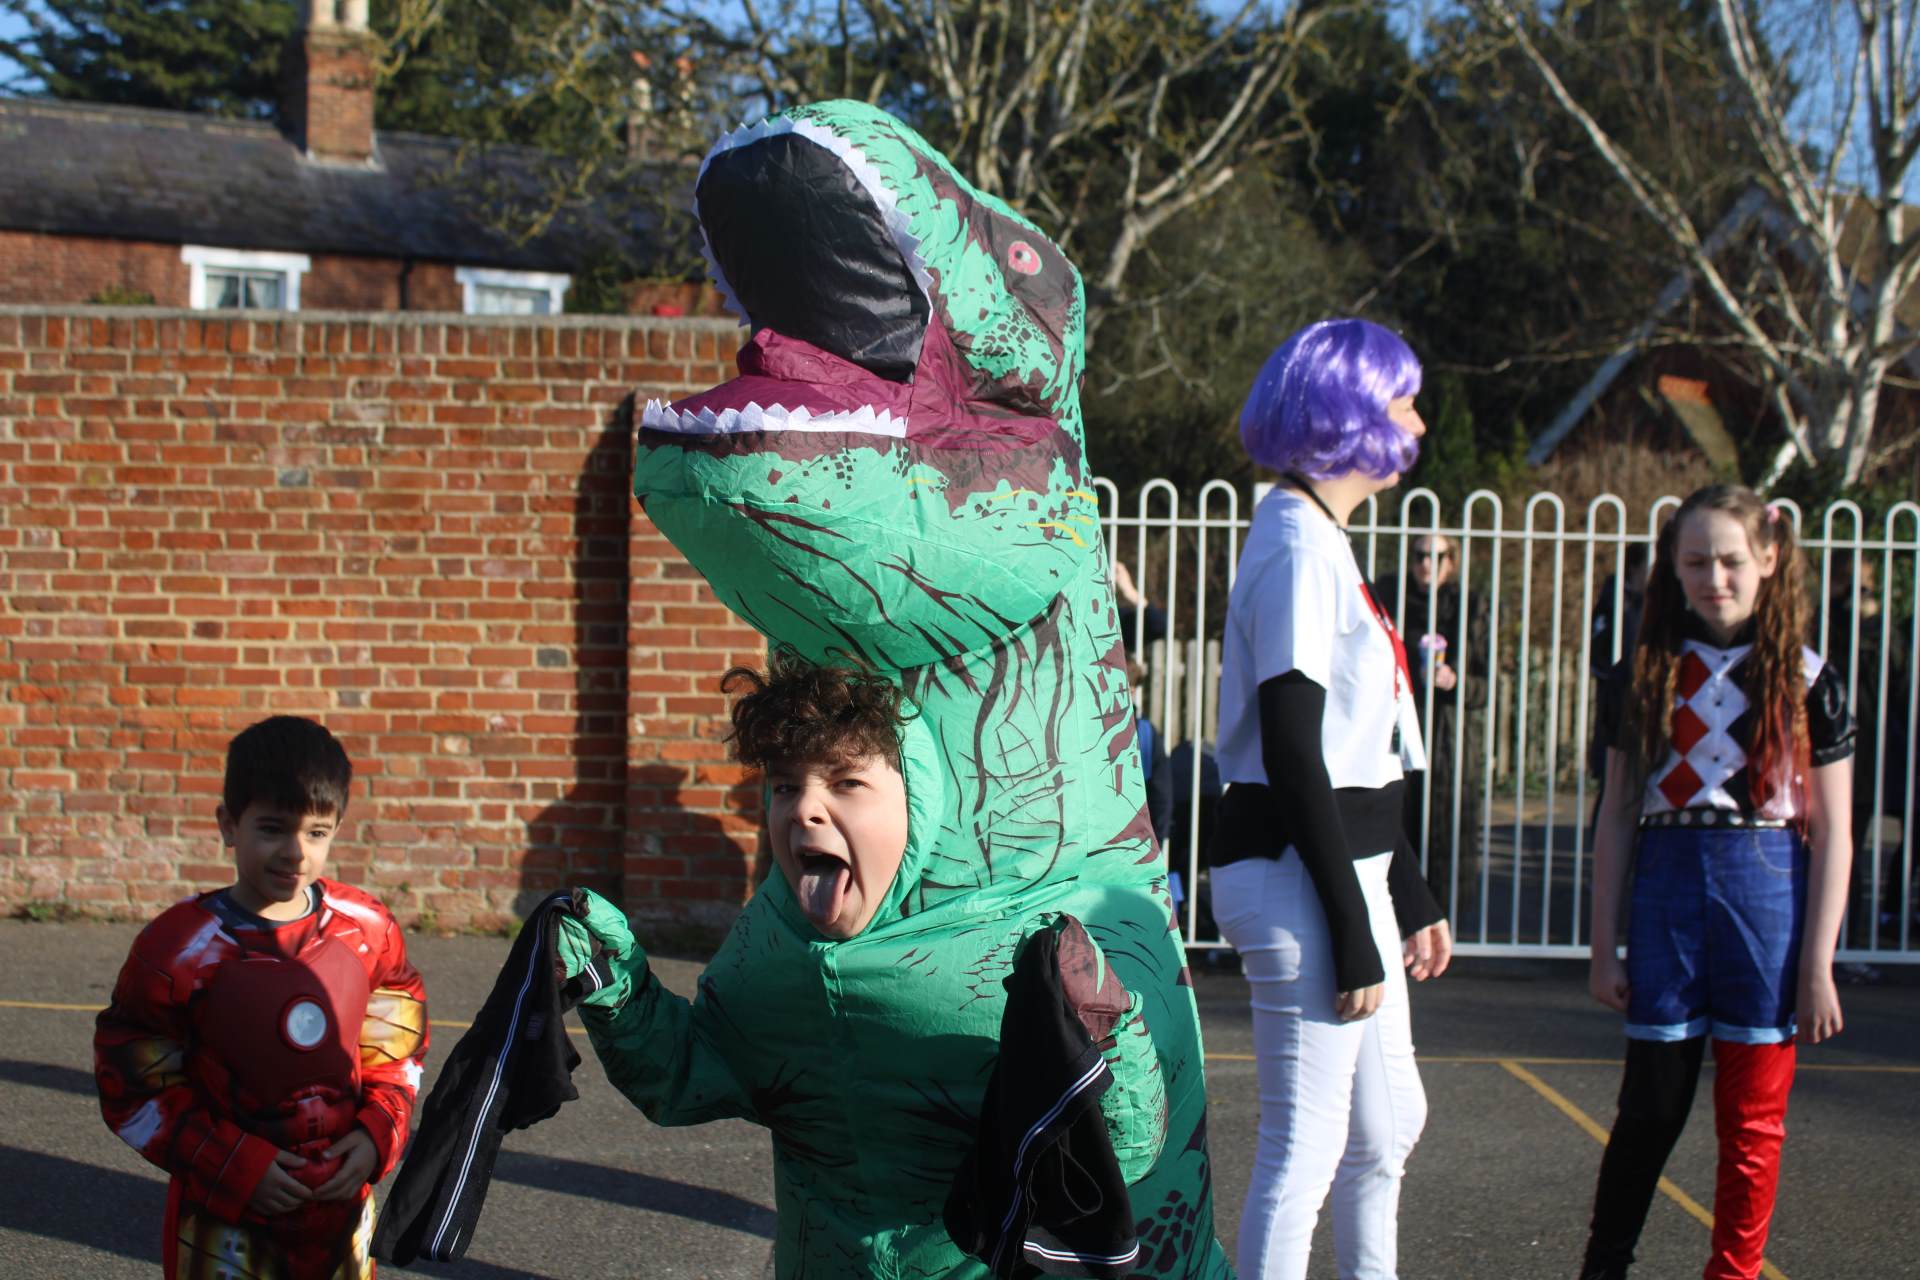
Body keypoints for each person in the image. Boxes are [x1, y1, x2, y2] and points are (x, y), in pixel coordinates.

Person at [554, 653, 1185, 1276]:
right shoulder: (768, 941)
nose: (804, 808)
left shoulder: (1007, 952)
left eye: (846, 783)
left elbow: (1117, 1160)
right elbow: (685, 1077)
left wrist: (1106, 1034)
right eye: (785, 786)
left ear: (917, 800)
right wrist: (614, 981)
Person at [1207, 317, 1453, 1280]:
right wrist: (1354, 928)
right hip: (1299, 876)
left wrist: (1406, 892)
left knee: (1389, 1126)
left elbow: (1358, 753)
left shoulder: (1319, 539)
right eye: (1403, 403)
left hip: (1340, 870)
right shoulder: (1299, 546)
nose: (1419, 424)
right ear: (1352, 415)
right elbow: (1293, 748)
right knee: (1305, 1146)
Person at [1580, 485, 1854, 1280]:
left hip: (1767, 906)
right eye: (1696, 561)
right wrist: (1602, 950)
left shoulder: (1809, 679)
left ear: (1768, 558)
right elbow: (1615, 817)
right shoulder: (1641, 674)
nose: (1715, 578)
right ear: (1671, 565)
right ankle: (1603, 1268)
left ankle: (1733, 1273)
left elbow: (1835, 831)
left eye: (1732, 560)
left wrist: (1818, 964)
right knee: (1649, 1111)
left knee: (1753, 1124)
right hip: (1666, 899)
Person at [94, 715, 430, 1280]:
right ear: (229, 825)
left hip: (341, 1216)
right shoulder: (176, 949)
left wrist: (378, 1133)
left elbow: (396, 1053)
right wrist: (231, 1164)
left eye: (317, 833)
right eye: (273, 829)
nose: (296, 852)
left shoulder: (368, 929)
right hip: (224, 1223)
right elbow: (131, 1084)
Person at [1379, 532, 1488, 913]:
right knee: (1398, 824)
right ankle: (1400, 917)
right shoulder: (1392, 601)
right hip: (1398, 733)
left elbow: (1485, 685)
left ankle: (1443, 917)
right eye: (1420, 555)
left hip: (1450, 737)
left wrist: (1456, 681)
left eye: (1437, 556)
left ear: (1451, 562)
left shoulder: (1470, 608)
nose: (1427, 564)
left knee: (1446, 831)